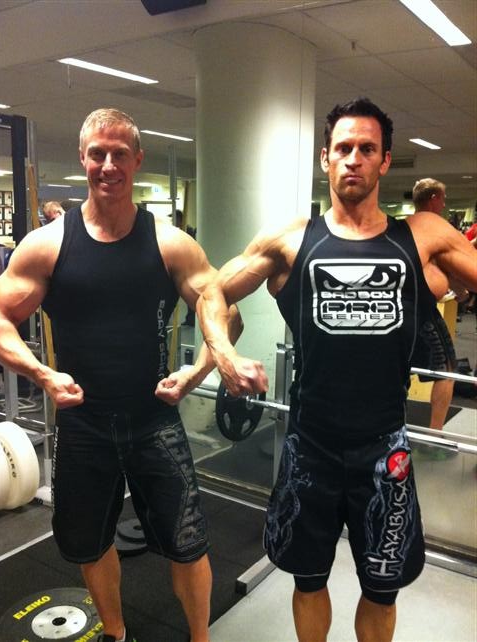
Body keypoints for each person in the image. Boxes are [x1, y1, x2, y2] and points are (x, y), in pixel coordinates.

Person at [196, 98, 477, 642]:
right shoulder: (291, 238)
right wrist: (225, 357)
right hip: (311, 445)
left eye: (367, 149)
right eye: (343, 148)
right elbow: (212, 292)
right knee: (308, 579)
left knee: (383, 589)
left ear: (385, 160)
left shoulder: (421, 236)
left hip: (384, 447)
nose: (354, 158)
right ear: (325, 158)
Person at [0, 108, 242, 642]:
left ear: (137, 160)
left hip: (155, 420)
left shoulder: (170, 243)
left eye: (120, 154)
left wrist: (198, 371)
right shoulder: (47, 245)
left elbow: (223, 310)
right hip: (83, 424)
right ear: (83, 158)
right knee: (89, 542)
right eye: (97, 154)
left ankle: (201, 638)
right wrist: (43, 375)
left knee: (188, 543)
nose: (108, 165)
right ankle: (116, 632)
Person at [411, 178, 462, 429]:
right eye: (442, 199)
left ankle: (390, 427)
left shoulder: (403, 226)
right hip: (423, 311)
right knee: (447, 371)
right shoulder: (435, 229)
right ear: (433, 199)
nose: (443, 204)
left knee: (397, 368)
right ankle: (435, 434)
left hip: (400, 310)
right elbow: (451, 266)